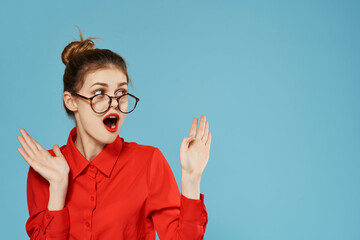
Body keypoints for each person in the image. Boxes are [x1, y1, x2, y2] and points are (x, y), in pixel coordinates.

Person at [17, 26, 212, 240]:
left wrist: (192, 179)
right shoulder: (45, 168)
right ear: (71, 101)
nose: (114, 104)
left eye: (121, 92)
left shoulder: (148, 162)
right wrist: (57, 188)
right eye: (99, 93)